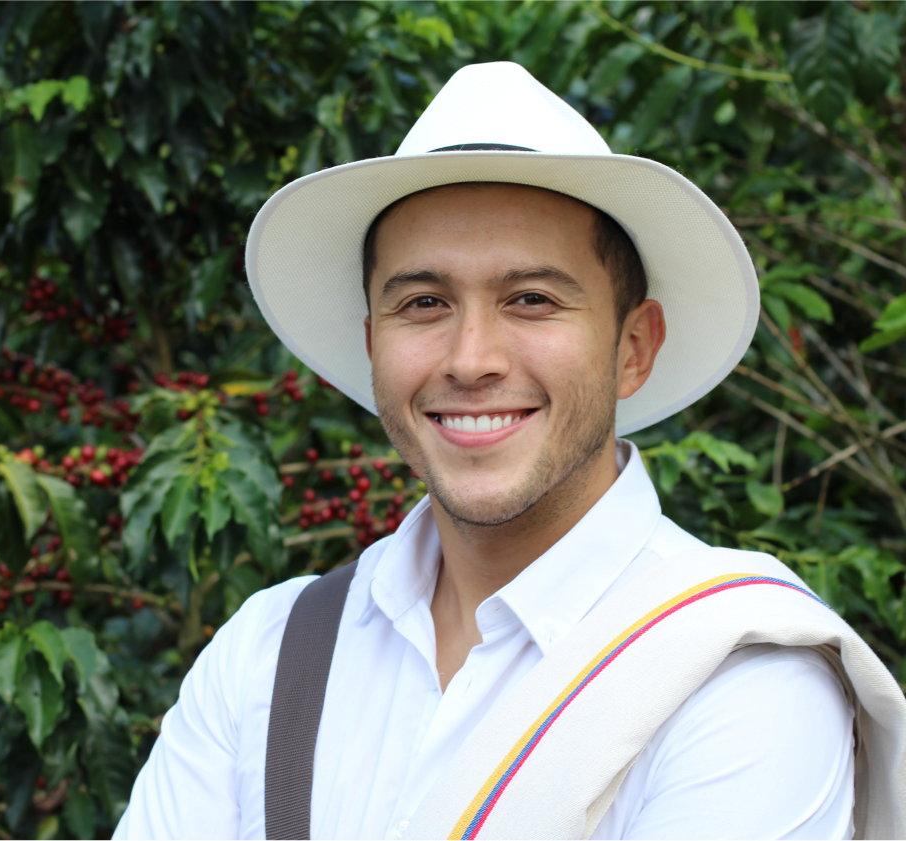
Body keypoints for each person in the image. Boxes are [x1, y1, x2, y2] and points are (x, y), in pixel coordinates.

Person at [115, 63, 905, 841]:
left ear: (633, 347)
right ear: (371, 345)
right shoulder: (268, 653)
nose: (470, 357)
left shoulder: (745, 675)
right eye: (423, 303)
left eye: (532, 300)